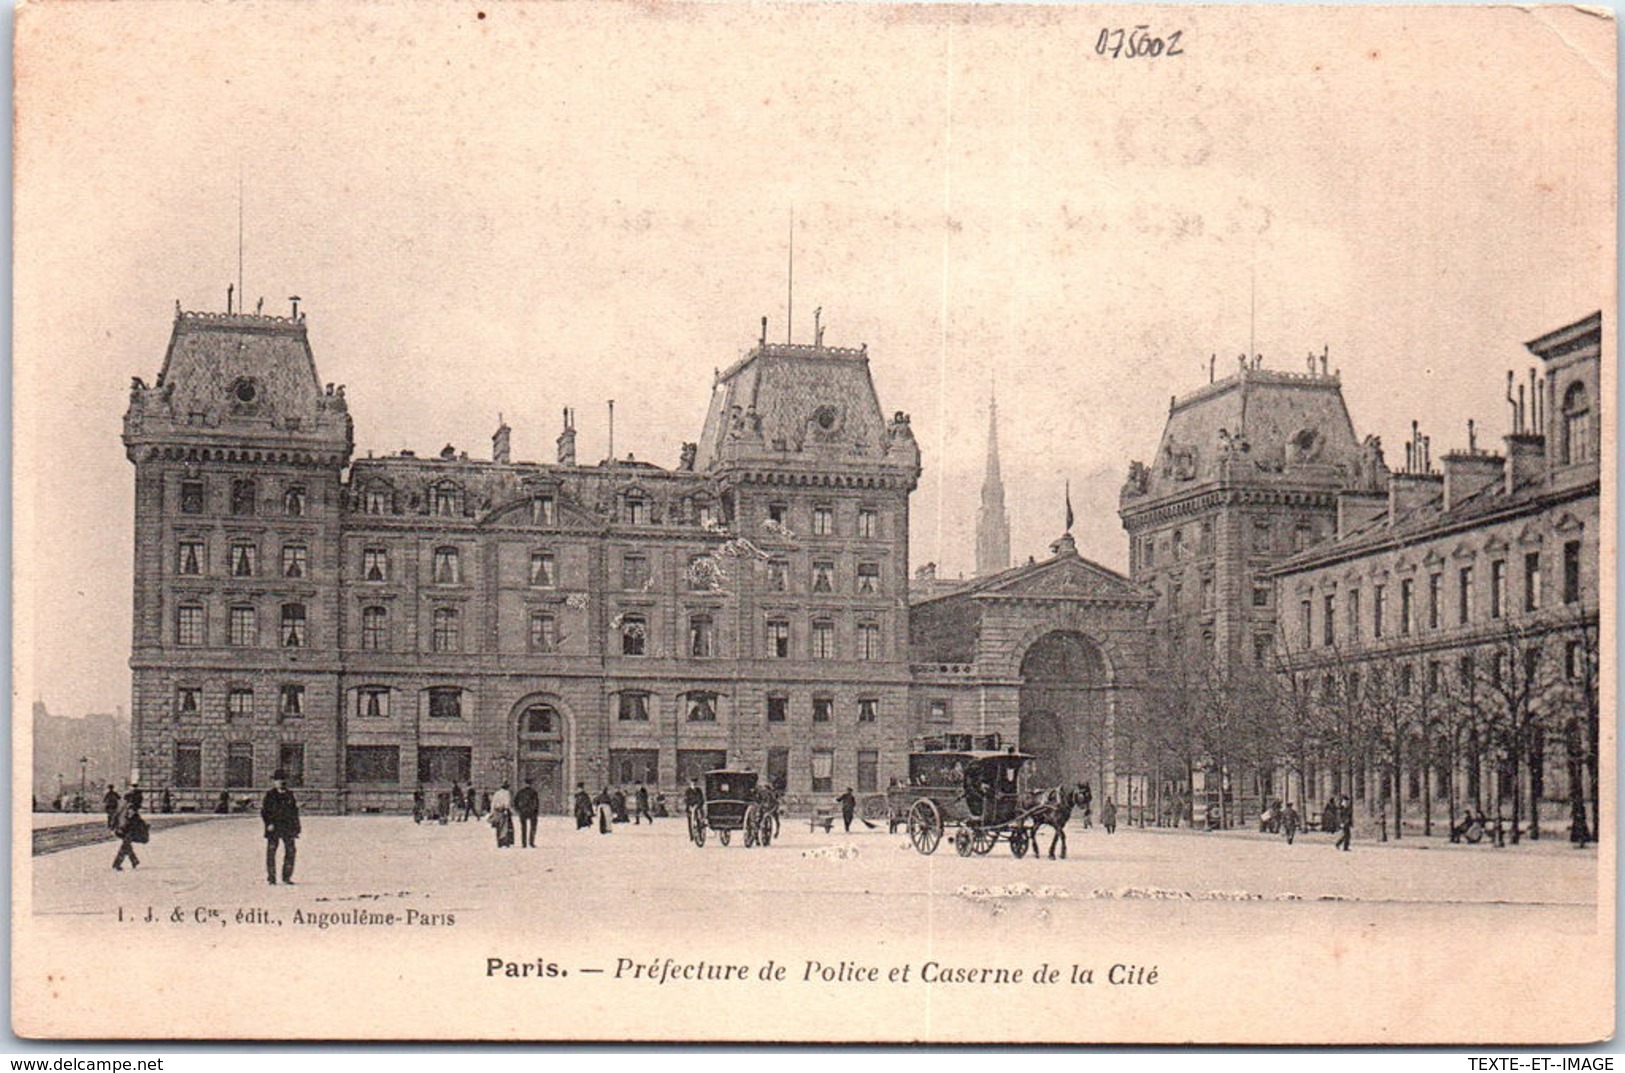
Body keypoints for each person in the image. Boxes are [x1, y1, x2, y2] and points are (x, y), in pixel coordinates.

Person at [262, 769, 301, 885]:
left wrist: (296, 828)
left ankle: (286, 876)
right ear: (274, 782)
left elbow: (294, 812)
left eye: (283, 780)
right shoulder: (270, 795)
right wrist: (268, 823)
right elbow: (265, 811)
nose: (280, 782)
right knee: (271, 852)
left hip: (287, 827)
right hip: (274, 827)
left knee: (290, 851)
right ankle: (271, 877)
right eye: (278, 780)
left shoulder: (290, 795)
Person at [112, 793, 147, 871]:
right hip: (128, 829)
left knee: (125, 846)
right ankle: (132, 861)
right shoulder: (128, 807)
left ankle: (118, 864)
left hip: (127, 829)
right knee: (126, 846)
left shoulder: (124, 807)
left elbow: (120, 817)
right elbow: (129, 818)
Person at [514, 779, 541, 848]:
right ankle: (531, 842)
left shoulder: (520, 792)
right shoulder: (533, 792)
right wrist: (536, 811)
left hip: (523, 811)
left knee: (523, 828)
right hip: (532, 812)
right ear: (531, 784)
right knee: (533, 827)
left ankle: (524, 843)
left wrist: (518, 809)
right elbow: (536, 802)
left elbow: (515, 801)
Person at [489, 781, 514, 848]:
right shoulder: (507, 793)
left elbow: (493, 803)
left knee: (498, 827)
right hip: (503, 811)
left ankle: (499, 841)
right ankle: (505, 841)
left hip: (497, 811)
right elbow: (507, 803)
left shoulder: (497, 793)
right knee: (505, 827)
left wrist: (492, 813)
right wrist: (508, 810)